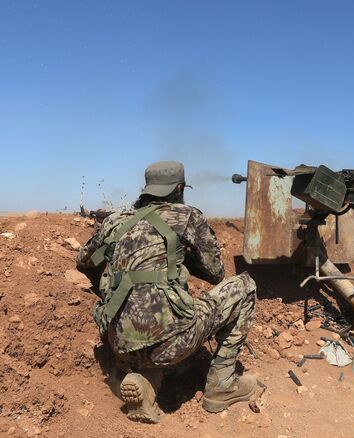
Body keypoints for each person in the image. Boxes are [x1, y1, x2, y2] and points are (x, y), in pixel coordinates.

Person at [77, 161, 258, 423]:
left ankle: (146, 381)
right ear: (180, 188)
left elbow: (85, 260)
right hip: (171, 343)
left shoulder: (116, 221)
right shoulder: (186, 217)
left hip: (120, 344)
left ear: (147, 189)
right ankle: (222, 385)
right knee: (244, 287)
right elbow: (215, 272)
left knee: (159, 330)